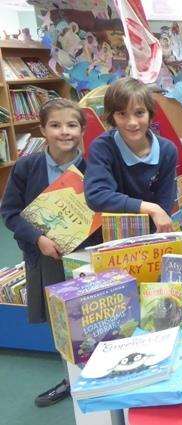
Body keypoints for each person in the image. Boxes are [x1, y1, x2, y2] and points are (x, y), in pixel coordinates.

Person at [0, 98, 94, 407]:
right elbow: (10, 212)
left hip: (84, 256)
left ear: (82, 129)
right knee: (60, 322)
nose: (64, 132)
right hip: (45, 256)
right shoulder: (28, 167)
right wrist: (38, 238)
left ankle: (93, 376)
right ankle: (71, 378)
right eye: (55, 125)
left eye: (71, 125)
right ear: (42, 129)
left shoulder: (93, 168)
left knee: (90, 316)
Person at [84, 77, 177, 232]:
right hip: (112, 234)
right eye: (122, 114)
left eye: (139, 113)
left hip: (151, 234)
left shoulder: (167, 150)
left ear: (150, 113)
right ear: (112, 116)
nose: (132, 122)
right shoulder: (102, 147)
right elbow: (96, 195)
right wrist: (150, 208)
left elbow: (165, 203)